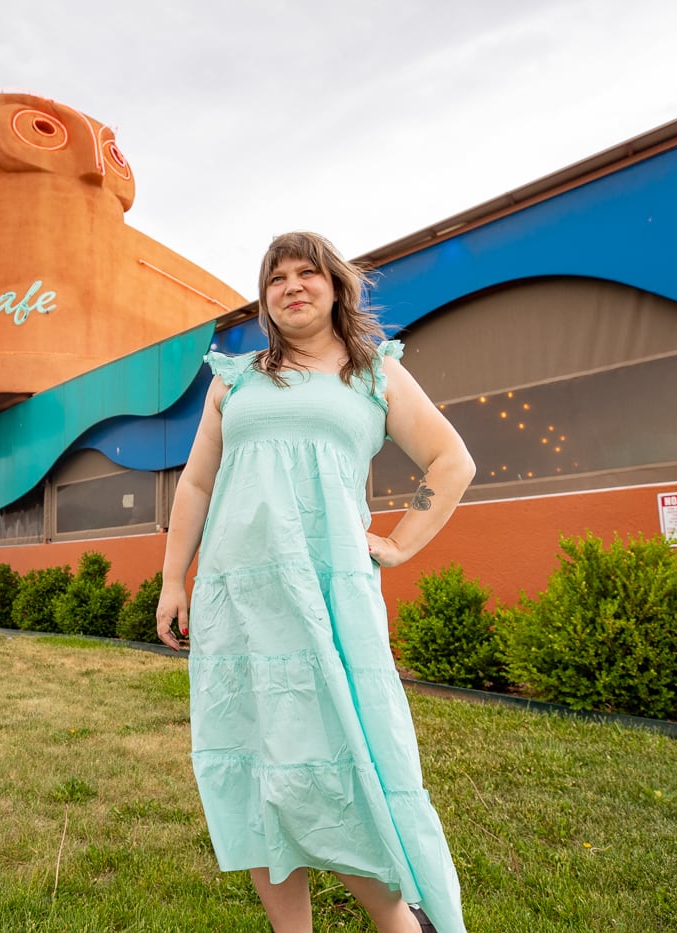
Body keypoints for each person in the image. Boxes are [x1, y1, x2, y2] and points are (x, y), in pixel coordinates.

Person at [156, 232, 475, 933]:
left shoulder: (374, 374)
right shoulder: (233, 378)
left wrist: (397, 541)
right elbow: (197, 481)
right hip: (239, 597)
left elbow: (451, 460)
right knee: (257, 765)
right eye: (276, 278)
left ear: (335, 287)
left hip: (328, 597)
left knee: (337, 761)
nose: (292, 285)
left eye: (308, 273)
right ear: (265, 299)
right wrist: (174, 579)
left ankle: (399, 920)